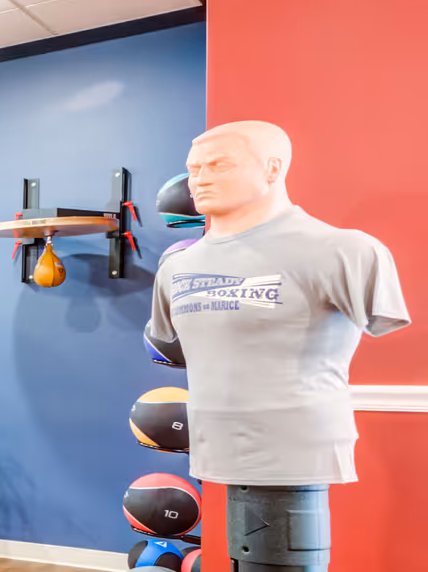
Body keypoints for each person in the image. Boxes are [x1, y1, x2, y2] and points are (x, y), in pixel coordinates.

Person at [145, 120, 408, 485]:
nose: (200, 179)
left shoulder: (345, 250)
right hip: (213, 448)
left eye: (220, 165)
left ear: (272, 168)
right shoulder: (175, 267)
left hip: (302, 451)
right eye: (193, 169)